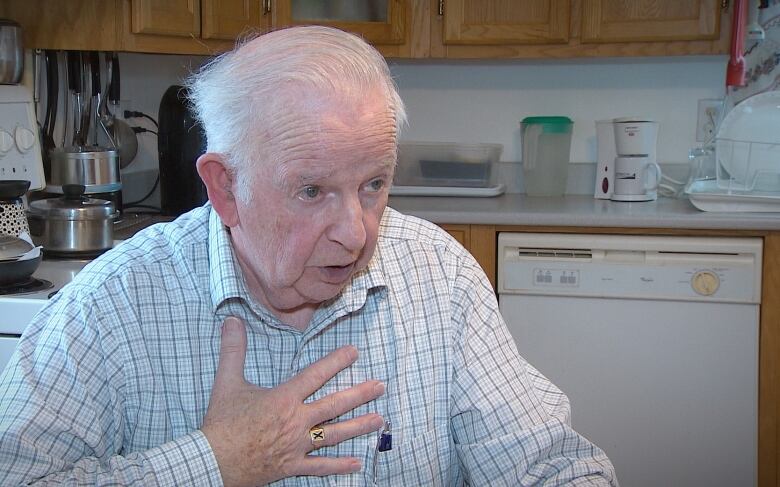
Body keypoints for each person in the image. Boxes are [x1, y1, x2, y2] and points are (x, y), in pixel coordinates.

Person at [0, 26, 617, 486]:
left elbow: (548, 465)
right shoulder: (112, 303)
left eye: (373, 184)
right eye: (312, 191)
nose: (355, 234)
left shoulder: (439, 274)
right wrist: (215, 463)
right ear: (224, 186)